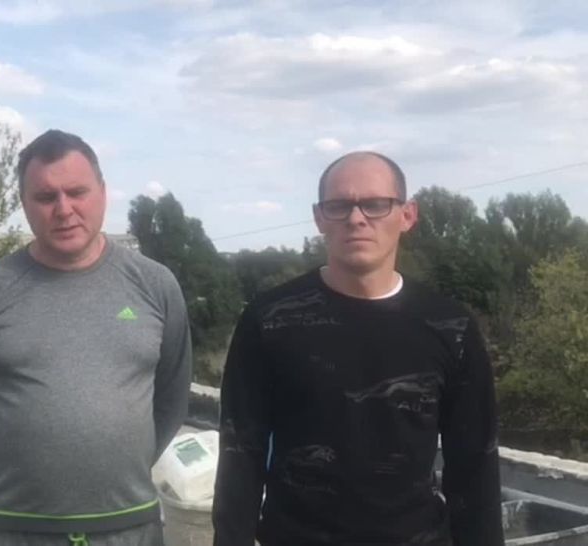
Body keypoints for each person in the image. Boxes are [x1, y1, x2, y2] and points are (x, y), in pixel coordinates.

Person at [212, 151, 503, 545]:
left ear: (407, 215)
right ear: (319, 217)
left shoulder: (449, 326)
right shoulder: (270, 320)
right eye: (339, 206)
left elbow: (475, 465)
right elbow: (241, 452)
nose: (356, 218)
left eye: (375, 204)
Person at [0, 129, 193, 546]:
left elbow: (171, 401)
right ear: (24, 204)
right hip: (9, 530)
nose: (64, 209)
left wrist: (116, 472)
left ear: (103, 193)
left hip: (129, 528)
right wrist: (18, 483)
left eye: (77, 192)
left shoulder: (155, 285)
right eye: (45, 197)